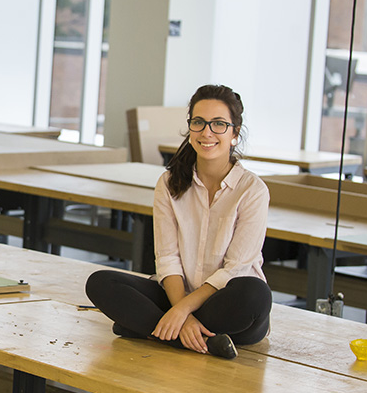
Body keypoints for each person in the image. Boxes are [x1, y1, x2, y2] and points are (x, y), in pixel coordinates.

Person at [85, 84, 272, 359]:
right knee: (99, 282)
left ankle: (151, 327)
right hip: (177, 294)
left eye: (219, 124)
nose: (207, 132)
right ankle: (198, 340)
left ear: (234, 134)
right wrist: (182, 310)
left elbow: (235, 269)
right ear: (190, 128)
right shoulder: (170, 183)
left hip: (229, 307)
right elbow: (168, 259)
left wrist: (181, 312)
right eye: (199, 122)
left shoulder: (252, 190)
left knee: (255, 294)